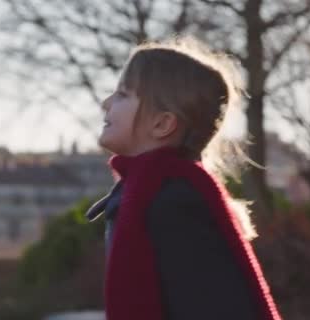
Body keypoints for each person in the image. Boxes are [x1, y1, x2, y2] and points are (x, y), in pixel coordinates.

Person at [85, 37, 282, 320]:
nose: (106, 104)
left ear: (162, 123)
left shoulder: (172, 204)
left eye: (123, 95)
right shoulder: (149, 195)